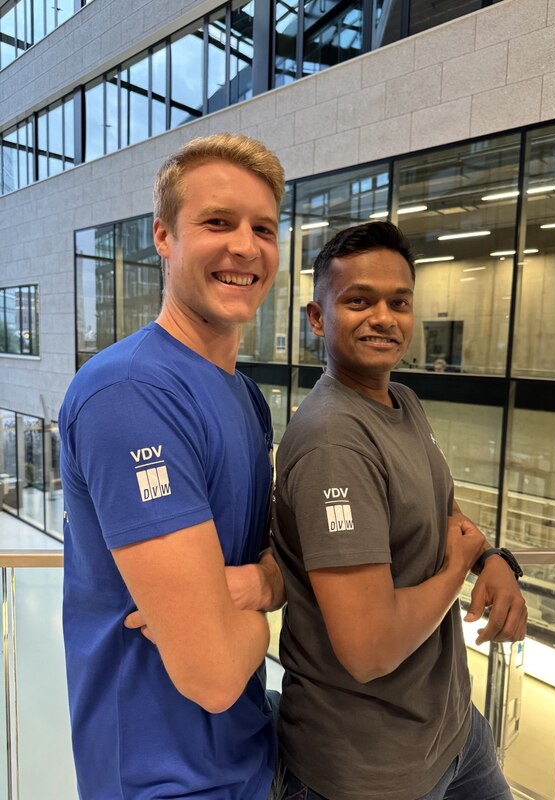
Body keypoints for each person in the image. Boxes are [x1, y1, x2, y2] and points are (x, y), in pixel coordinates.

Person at [59, 133, 286, 799]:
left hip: (250, 756)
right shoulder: (130, 393)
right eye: (217, 222)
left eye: (263, 228)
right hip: (161, 780)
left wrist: (259, 585)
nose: (245, 247)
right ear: (163, 236)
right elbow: (211, 674)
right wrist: (260, 610)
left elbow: (276, 556)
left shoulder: (244, 396)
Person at [271, 221, 528, 800]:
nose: (383, 317)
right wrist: (457, 568)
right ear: (317, 318)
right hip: (370, 768)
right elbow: (369, 648)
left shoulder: (401, 401)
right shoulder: (334, 443)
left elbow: (439, 506)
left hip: (453, 732)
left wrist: (490, 558)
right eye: (359, 301)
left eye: (399, 302)